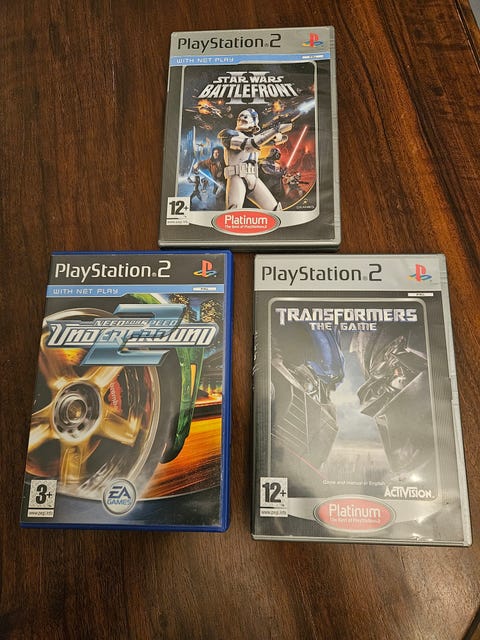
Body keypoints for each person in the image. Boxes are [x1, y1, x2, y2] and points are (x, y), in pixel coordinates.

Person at [218, 108, 293, 210]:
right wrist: (275, 129)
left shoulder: (255, 138)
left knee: (276, 209)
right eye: (241, 117)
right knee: (234, 211)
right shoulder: (229, 135)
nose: (242, 119)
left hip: (253, 178)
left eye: (245, 117)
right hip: (237, 177)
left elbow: (279, 139)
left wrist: (278, 132)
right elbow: (249, 144)